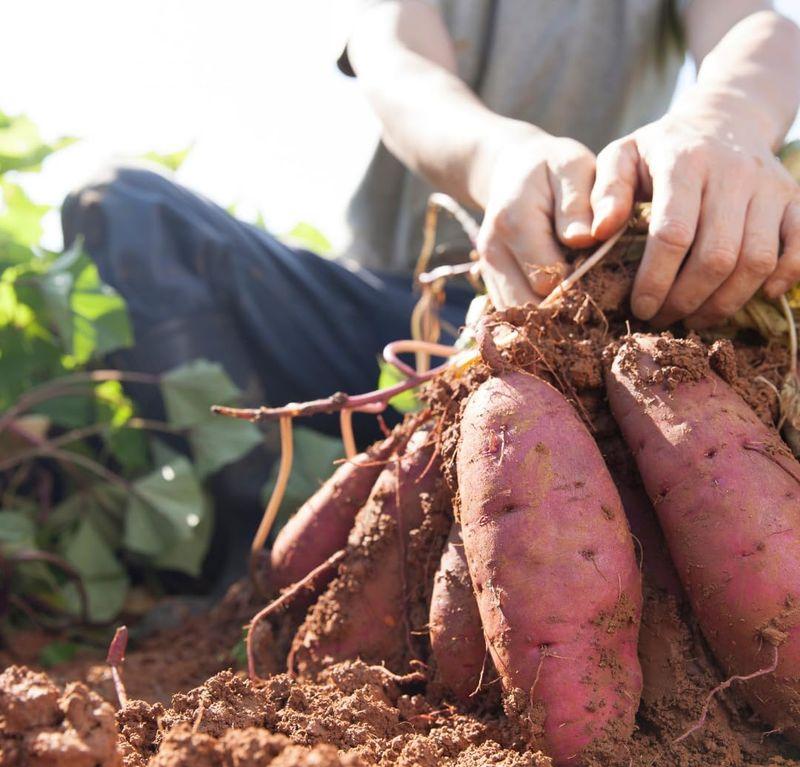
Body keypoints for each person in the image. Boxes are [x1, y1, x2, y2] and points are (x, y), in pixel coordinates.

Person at [62, 0, 800, 513]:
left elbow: (758, 28)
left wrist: (725, 121)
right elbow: (397, 61)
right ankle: (243, 544)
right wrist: (498, 157)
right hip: (397, 321)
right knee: (123, 207)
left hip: (591, 324)